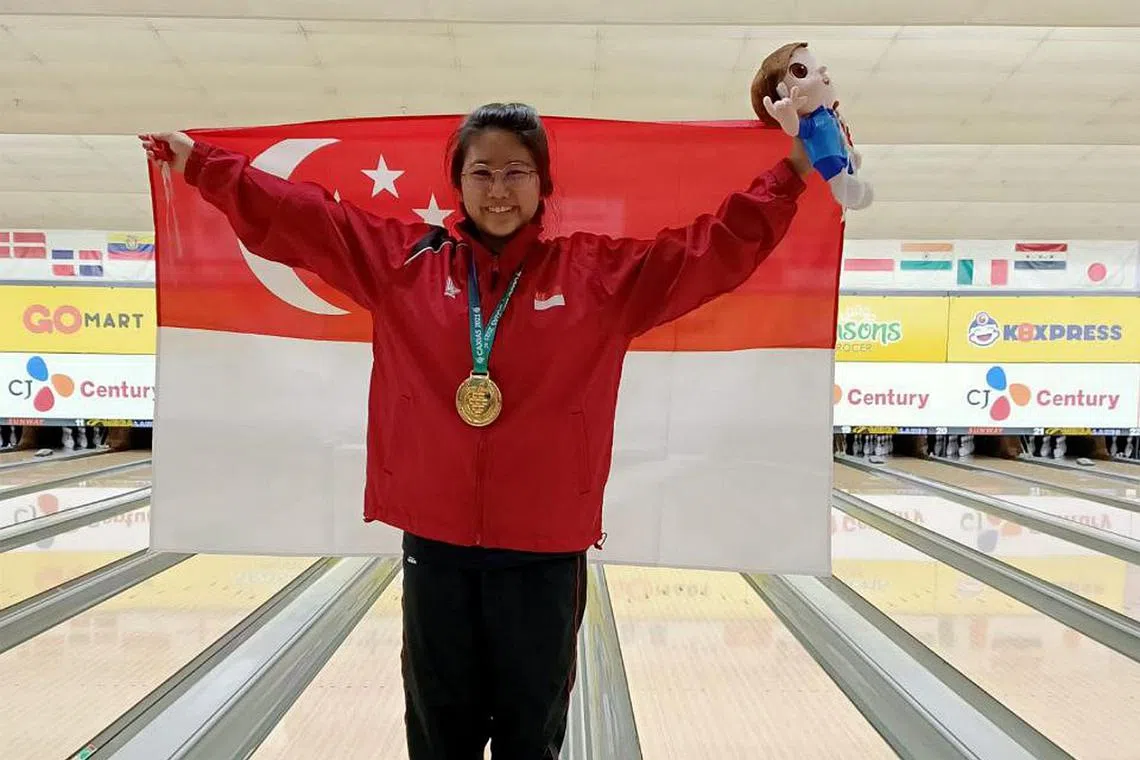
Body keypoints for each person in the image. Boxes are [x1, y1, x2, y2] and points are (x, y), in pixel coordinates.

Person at [141, 101, 813, 759]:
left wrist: (791, 172)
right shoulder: (404, 263)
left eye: (516, 172)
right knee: (439, 733)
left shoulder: (598, 276)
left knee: (531, 735)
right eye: (482, 173)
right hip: (436, 549)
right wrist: (202, 164)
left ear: (544, 185)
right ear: (458, 184)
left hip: (545, 553)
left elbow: (710, 250)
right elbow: (304, 219)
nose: (499, 190)